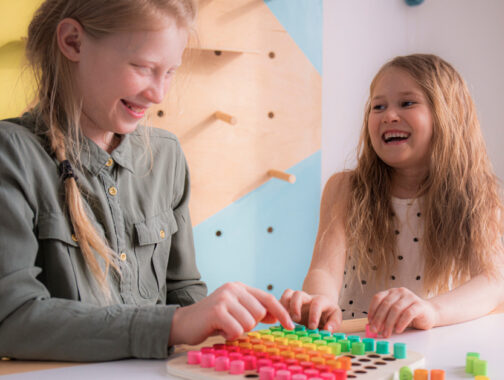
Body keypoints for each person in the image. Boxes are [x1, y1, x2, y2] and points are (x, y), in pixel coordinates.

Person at [0, 0, 293, 361]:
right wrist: (173, 324)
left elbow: (182, 289)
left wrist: (221, 321)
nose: (158, 94)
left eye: (170, 72)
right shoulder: (11, 154)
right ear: (74, 42)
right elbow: (12, 319)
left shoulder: (166, 156)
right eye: (142, 67)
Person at [280, 54, 504, 337]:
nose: (389, 115)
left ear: (448, 116)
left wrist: (432, 311)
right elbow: (324, 271)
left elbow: (492, 282)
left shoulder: (476, 194)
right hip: (358, 344)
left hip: (434, 341)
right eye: (378, 106)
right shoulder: (345, 189)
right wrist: (320, 301)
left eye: (407, 103)